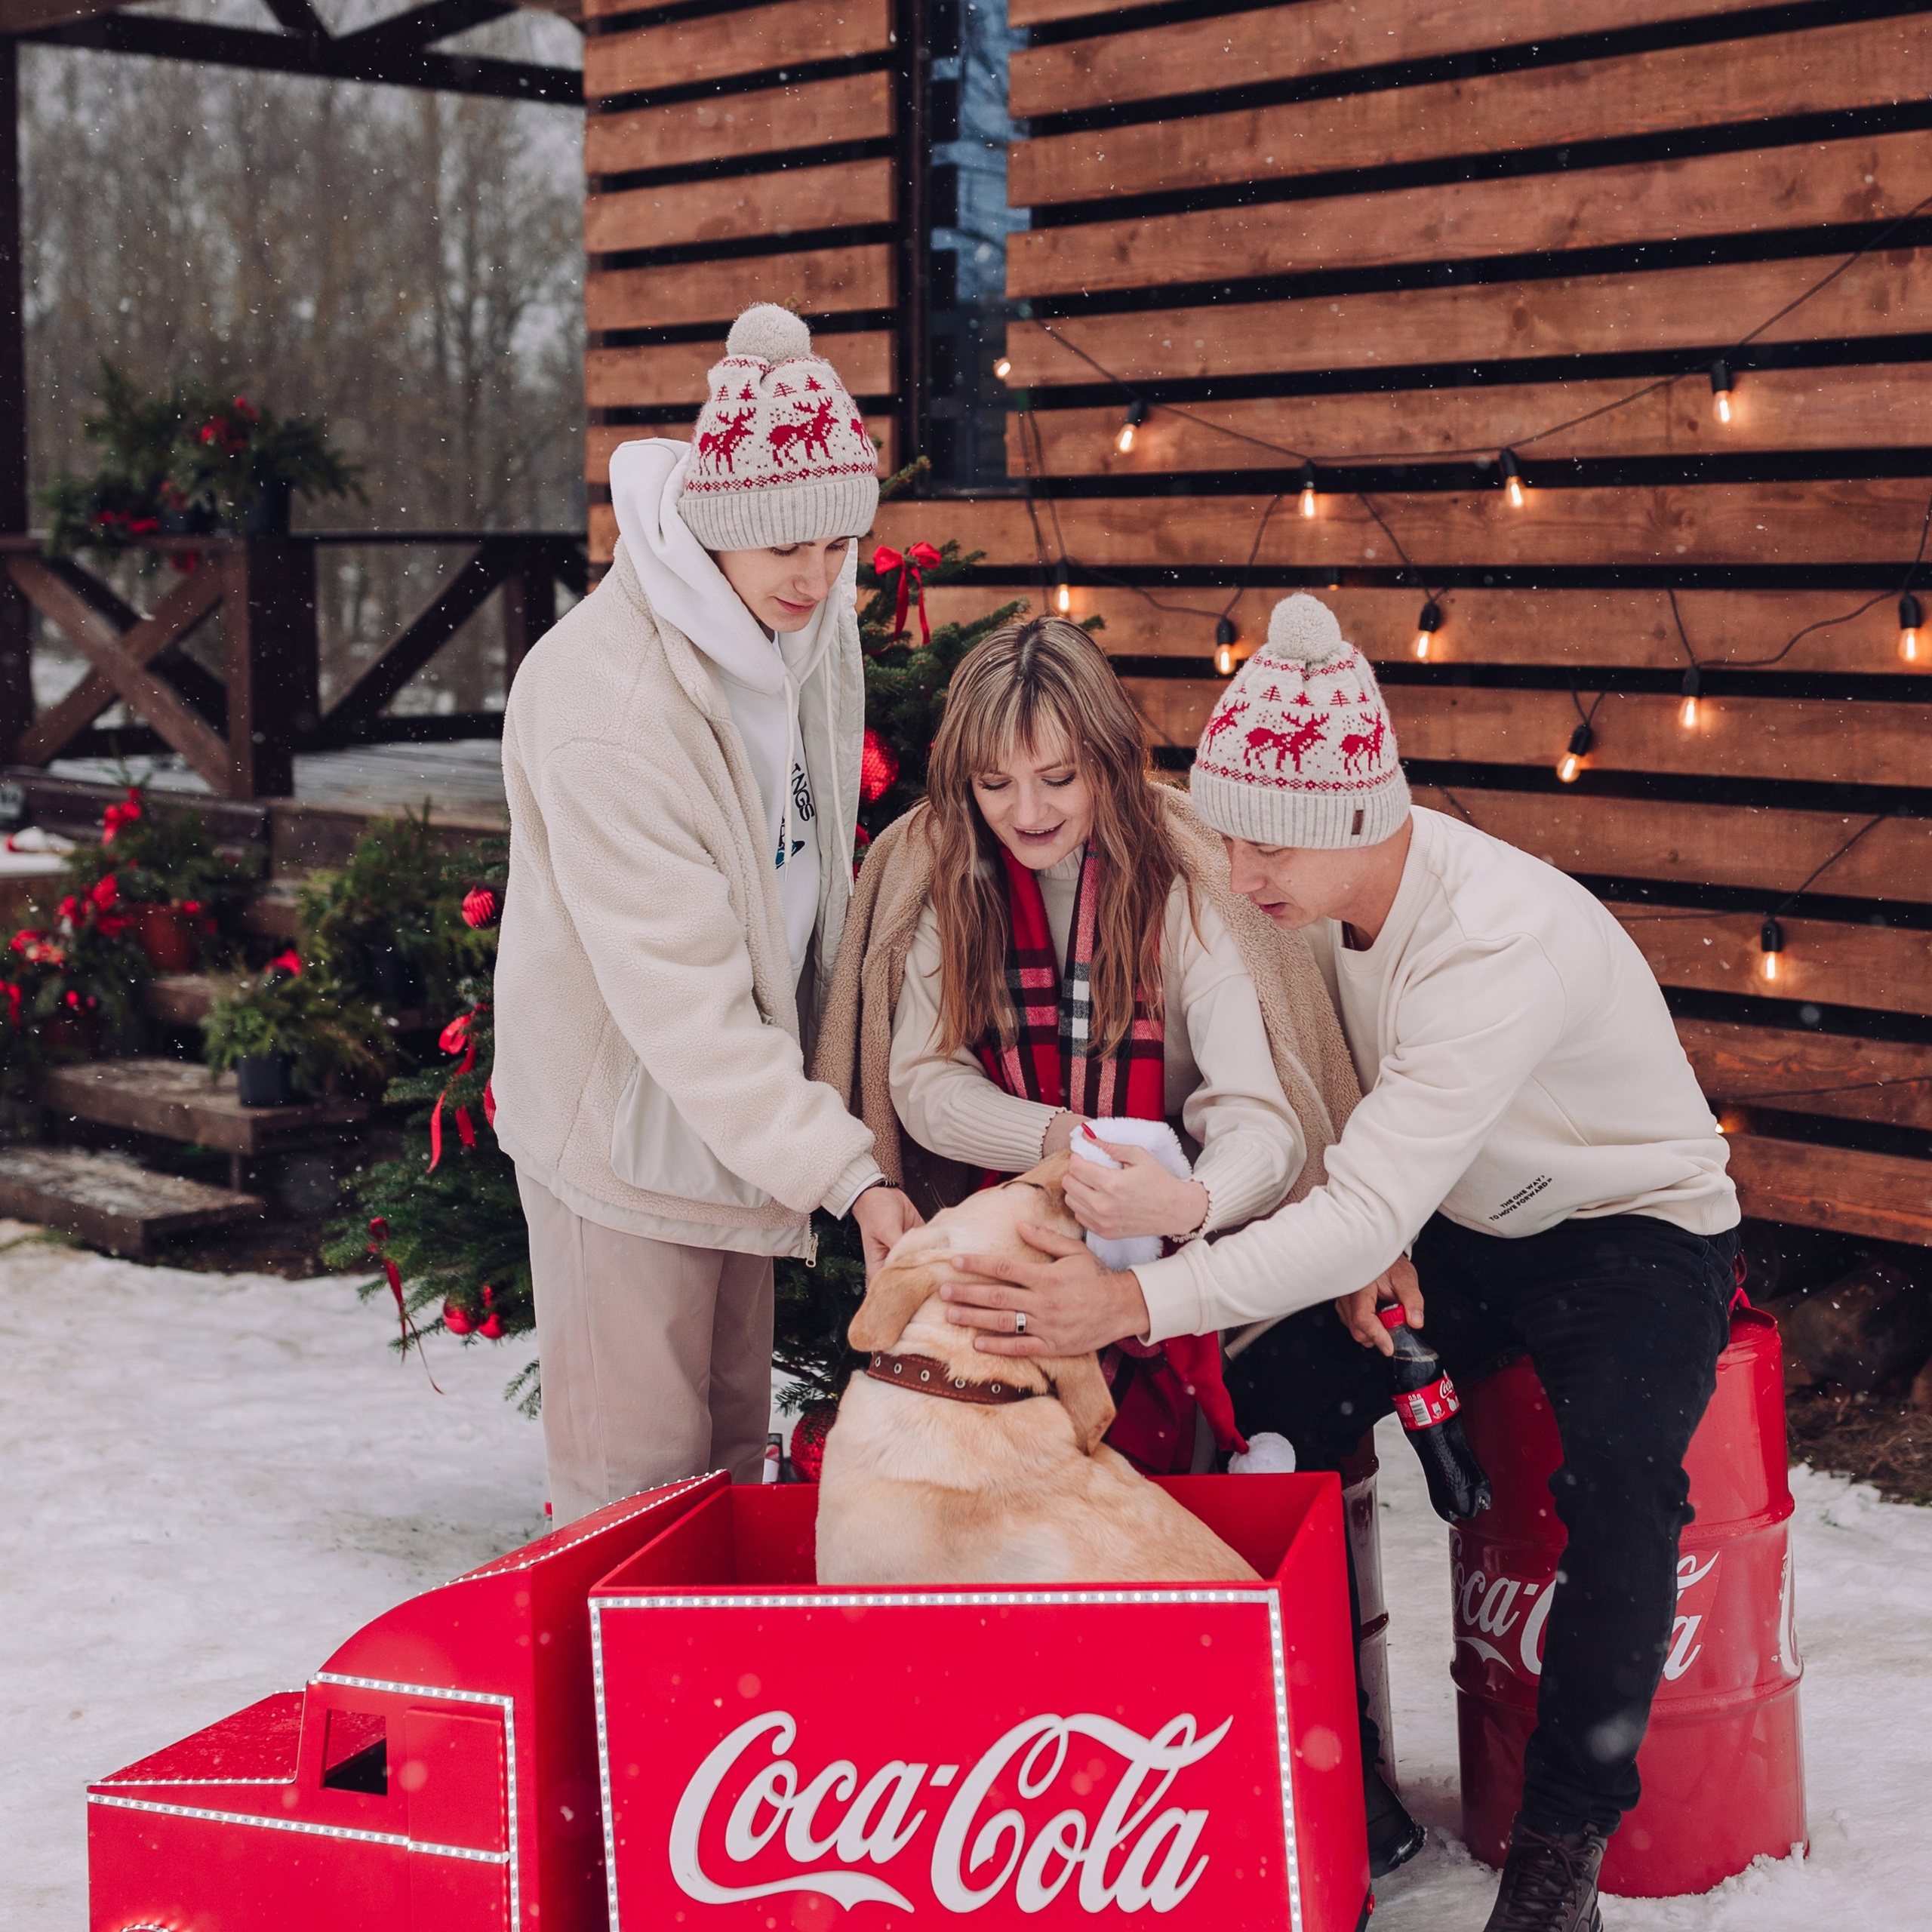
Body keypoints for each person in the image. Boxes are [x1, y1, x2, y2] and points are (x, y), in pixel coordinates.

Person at [938, 592, 1741, 1932]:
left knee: (1622, 1486)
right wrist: (1390, 1239)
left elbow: (1364, 1202)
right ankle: (1328, 1756)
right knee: (1270, 1399)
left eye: (1260, 843)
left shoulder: (1495, 943)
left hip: (1632, 1228)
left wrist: (1133, 1297)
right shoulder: (1317, 902)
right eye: (1229, 835)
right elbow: (1362, 1136)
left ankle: (1561, 1846)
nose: (1235, 869)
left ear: (1357, 819)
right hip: (1461, 1225)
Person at [493, 304, 920, 1525]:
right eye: (787, 545)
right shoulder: (609, 708)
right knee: (632, 1498)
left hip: (743, 1127)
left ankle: (700, 1660)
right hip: (625, 1134)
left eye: (838, 542)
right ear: (717, 525)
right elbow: (682, 1003)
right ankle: (596, 1659)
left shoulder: (799, 621)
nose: (817, 576)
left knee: (728, 1469)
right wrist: (848, 1171)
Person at [814, 616, 1361, 1472]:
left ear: (1108, 760)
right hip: (1011, 1208)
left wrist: (1187, 1204)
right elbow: (923, 1081)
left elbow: (1261, 1118)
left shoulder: (1188, 882)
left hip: (1185, 1223)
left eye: (1059, 778)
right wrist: (1063, 1140)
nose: (1027, 814)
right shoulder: (942, 873)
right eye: (995, 784)